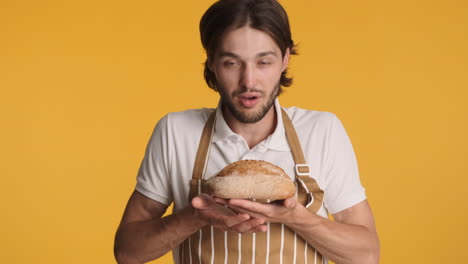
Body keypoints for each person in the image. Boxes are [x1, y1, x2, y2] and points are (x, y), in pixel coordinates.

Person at [114, 0, 380, 263]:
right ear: (211, 62)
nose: (249, 81)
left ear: (285, 59)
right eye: (232, 63)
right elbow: (127, 251)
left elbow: (366, 255)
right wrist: (196, 216)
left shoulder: (322, 131)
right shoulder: (176, 132)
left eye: (263, 62)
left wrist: (296, 217)